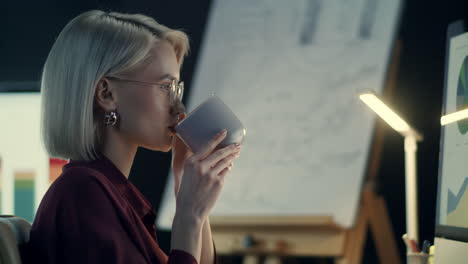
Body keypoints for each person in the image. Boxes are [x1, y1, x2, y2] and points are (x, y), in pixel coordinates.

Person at [24, 10, 241, 264]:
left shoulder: (114, 195)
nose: (179, 108)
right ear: (106, 94)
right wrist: (188, 217)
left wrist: (187, 194)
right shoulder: (82, 194)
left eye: (177, 88)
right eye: (165, 87)